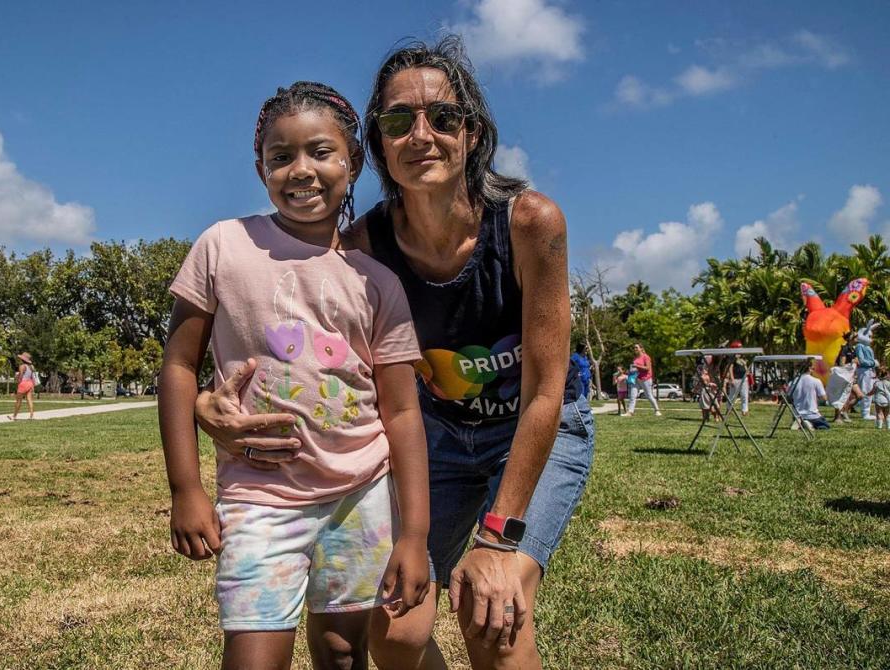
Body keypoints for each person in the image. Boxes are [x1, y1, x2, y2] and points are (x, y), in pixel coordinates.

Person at [194, 36, 594, 670]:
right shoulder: (363, 248)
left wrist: (498, 539)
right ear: (376, 144)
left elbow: (546, 394)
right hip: (437, 433)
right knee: (395, 628)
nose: (422, 134)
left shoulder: (529, 223)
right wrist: (202, 401)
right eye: (399, 120)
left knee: (493, 609)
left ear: (473, 133)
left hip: (531, 430)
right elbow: (299, 350)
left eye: (445, 117)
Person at [158, 82, 431, 670]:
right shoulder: (223, 245)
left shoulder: (375, 282)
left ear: (353, 162)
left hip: (359, 496)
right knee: (253, 656)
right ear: (260, 169)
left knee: (340, 651)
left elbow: (403, 413)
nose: (301, 170)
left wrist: (413, 536)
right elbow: (179, 366)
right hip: (260, 497)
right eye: (281, 157)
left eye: (320, 152)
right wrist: (185, 488)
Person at [791, 361, 831, 430]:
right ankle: (809, 423)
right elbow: (824, 398)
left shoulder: (793, 382)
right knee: (825, 426)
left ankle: (800, 423)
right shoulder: (816, 381)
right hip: (812, 415)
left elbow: (789, 397)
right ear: (809, 368)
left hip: (797, 415)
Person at [627, 343, 662, 416]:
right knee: (633, 395)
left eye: (636, 347)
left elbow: (647, 368)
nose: (635, 349)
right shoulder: (635, 358)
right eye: (634, 348)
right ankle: (630, 412)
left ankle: (657, 410)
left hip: (646, 379)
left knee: (648, 395)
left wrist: (636, 366)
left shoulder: (646, 357)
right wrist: (630, 371)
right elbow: (635, 368)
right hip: (636, 378)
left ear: (641, 349)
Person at [854, 320, 879, 420]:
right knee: (866, 390)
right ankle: (865, 413)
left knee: (871, 390)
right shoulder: (860, 346)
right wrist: (873, 363)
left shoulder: (866, 346)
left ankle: (868, 410)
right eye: (869, 336)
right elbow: (861, 360)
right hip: (864, 371)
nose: (871, 339)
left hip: (869, 371)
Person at [8, 352, 35, 420]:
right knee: (29, 400)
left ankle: (14, 416)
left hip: (23, 383)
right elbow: (32, 377)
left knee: (18, 400)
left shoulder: (22, 366)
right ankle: (31, 416)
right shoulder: (31, 367)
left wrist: (18, 380)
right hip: (30, 383)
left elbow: (21, 376)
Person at [725, 343, 750, 416]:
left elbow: (745, 366)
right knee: (732, 395)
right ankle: (729, 409)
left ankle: (745, 410)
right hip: (735, 378)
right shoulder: (732, 357)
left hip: (743, 378)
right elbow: (730, 368)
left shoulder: (742, 357)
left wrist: (746, 370)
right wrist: (732, 378)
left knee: (744, 395)